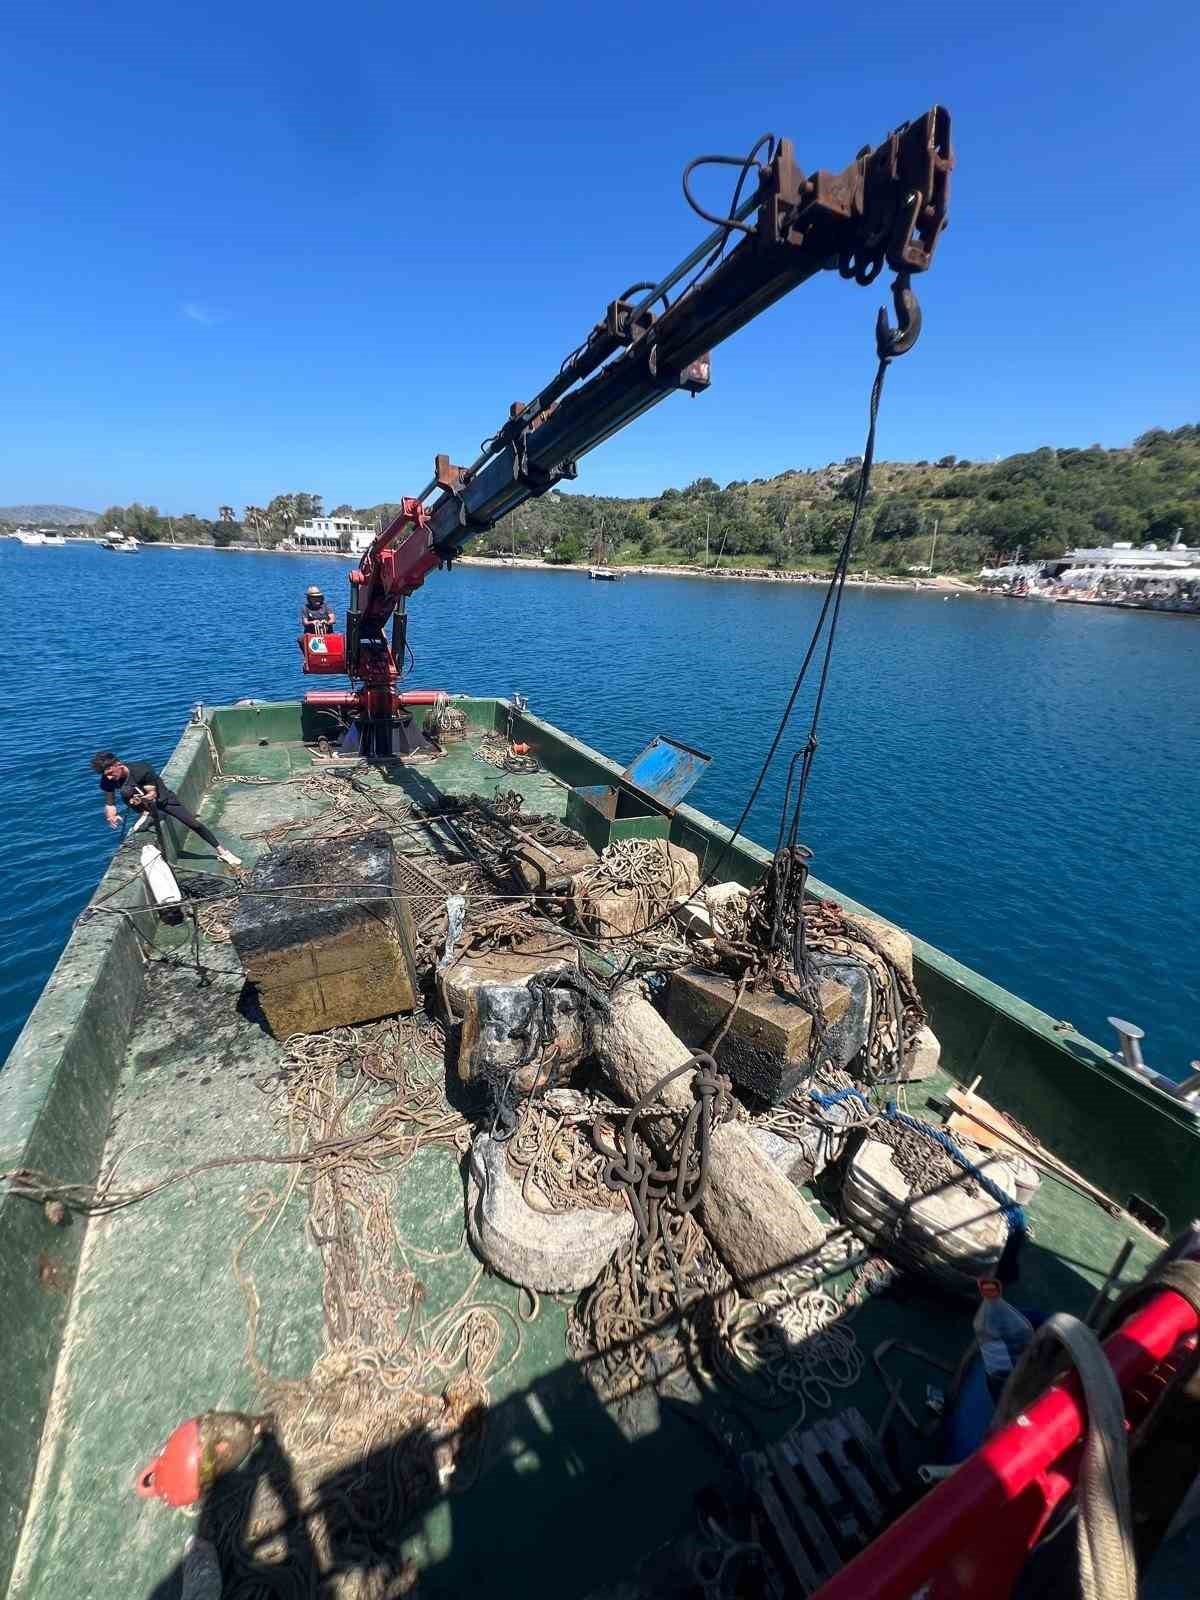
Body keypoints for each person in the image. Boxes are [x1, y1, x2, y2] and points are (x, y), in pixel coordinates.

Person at [92, 751, 242, 867]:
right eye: (106, 775)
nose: (110, 778)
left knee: (194, 824)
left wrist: (145, 799)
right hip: (140, 803)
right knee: (126, 792)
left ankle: (223, 852)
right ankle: (146, 813)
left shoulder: (142, 770)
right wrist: (111, 815)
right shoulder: (107, 779)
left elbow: (152, 794)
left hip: (163, 799)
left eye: (111, 773)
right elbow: (110, 802)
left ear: (118, 763)